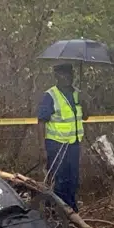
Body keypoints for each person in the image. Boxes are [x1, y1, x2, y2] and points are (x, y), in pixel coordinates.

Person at [36, 64, 85, 210]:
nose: (68, 78)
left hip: (73, 144)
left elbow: (86, 116)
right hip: (56, 144)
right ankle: (58, 211)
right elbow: (41, 122)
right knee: (59, 180)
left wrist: (85, 101)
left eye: (70, 75)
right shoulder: (50, 95)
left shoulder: (77, 93)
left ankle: (71, 209)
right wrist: (42, 148)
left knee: (73, 179)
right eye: (63, 75)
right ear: (56, 76)